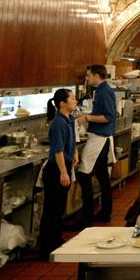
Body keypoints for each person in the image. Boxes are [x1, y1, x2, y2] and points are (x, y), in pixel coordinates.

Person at [39, 89, 78, 259]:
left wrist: (75, 153)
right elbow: (58, 150)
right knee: (52, 209)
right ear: (63, 103)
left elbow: (70, 142)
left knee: (59, 206)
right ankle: (47, 246)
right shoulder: (58, 123)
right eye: (73, 98)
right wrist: (64, 172)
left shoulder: (69, 120)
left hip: (65, 165)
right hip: (56, 168)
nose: (75, 101)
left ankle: (56, 239)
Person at [76, 64, 116, 226]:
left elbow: (108, 117)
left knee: (84, 174)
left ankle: (87, 217)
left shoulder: (104, 91)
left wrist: (87, 118)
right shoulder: (101, 90)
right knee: (102, 176)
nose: (87, 78)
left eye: (88, 75)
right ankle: (105, 212)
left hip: (100, 137)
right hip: (102, 136)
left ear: (97, 76)